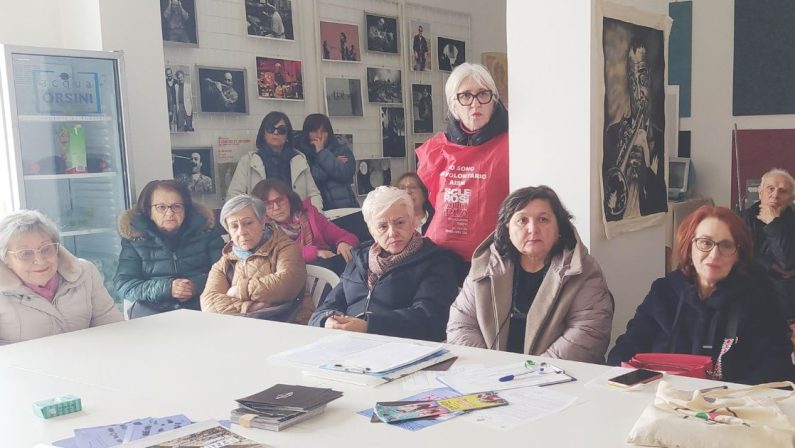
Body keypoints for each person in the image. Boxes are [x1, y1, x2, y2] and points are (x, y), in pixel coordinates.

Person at [608, 206, 795, 385]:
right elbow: (625, 349)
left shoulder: (759, 298)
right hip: (663, 399)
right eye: (705, 243)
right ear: (689, 248)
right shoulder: (663, 292)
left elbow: (778, 368)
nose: (714, 255)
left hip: (731, 408)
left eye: (726, 246)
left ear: (738, 255)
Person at [446, 186, 613, 363]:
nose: (533, 229)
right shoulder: (487, 265)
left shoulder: (582, 269)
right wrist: (488, 367)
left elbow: (588, 332)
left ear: (559, 227)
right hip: (492, 376)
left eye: (543, 219)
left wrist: (531, 372)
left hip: (555, 378)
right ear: (507, 228)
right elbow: (462, 324)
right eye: (522, 220)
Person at [308, 186, 458, 341]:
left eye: (400, 223)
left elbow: (431, 320)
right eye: (382, 226)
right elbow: (326, 307)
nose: (392, 233)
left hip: (401, 348)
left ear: (413, 222)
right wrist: (326, 321)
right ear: (371, 230)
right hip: (348, 345)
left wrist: (368, 326)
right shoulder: (359, 258)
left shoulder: (434, 260)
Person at [416, 63, 509, 282]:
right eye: (465, 96)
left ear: (494, 100)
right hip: (440, 260)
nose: (475, 103)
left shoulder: (514, 144)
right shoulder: (435, 150)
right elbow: (425, 207)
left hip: (492, 260)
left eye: (483, 94)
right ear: (453, 105)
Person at [0, 210, 122, 344]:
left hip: (87, 359)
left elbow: (112, 325)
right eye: (25, 254)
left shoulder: (85, 272)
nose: (40, 260)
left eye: (46, 248)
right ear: (5, 259)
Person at [114, 180, 224, 318]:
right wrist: (167, 288)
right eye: (161, 207)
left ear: (186, 209)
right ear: (149, 211)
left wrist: (195, 286)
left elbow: (226, 272)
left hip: (202, 307)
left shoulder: (205, 231)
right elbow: (124, 285)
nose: (170, 213)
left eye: (176, 206)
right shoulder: (135, 237)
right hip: (152, 312)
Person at [200, 194, 307, 319]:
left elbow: (287, 284)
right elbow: (208, 302)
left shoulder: (284, 247)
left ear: (262, 222)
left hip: (290, 323)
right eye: (234, 226)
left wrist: (239, 291)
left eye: (248, 223)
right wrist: (249, 308)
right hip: (244, 328)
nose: (242, 232)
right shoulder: (225, 261)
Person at [603, 37, 666, 222]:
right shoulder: (613, 134)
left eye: (643, 80)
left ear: (652, 83)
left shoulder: (660, 139)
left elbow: (659, 205)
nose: (638, 93)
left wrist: (646, 169)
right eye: (633, 82)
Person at [252, 179, 358, 276]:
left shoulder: (310, 216)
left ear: (289, 198)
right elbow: (278, 255)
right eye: (268, 204)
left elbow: (346, 236)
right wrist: (316, 253)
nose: (276, 207)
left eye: (280, 200)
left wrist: (343, 242)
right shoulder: (262, 229)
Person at [227, 111, 322, 209]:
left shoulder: (299, 159)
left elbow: (313, 194)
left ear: (287, 136)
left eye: (281, 130)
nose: (276, 132)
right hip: (262, 220)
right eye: (270, 129)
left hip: (297, 219)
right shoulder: (248, 161)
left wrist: (315, 218)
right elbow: (234, 197)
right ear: (263, 134)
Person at [741, 168, 795, 318]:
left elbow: (787, 262)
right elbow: (740, 255)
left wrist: (773, 223)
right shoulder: (742, 219)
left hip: (785, 292)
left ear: (791, 199)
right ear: (760, 192)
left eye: (783, 191)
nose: (775, 195)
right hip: (749, 285)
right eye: (770, 188)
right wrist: (771, 266)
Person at [298, 113, 358, 209]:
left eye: (324, 131)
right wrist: (332, 161)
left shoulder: (341, 148)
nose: (319, 136)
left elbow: (345, 173)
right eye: (314, 131)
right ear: (307, 133)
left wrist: (322, 154)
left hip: (347, 206)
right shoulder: (301, 154)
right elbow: (313, 179)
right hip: (319, 209)